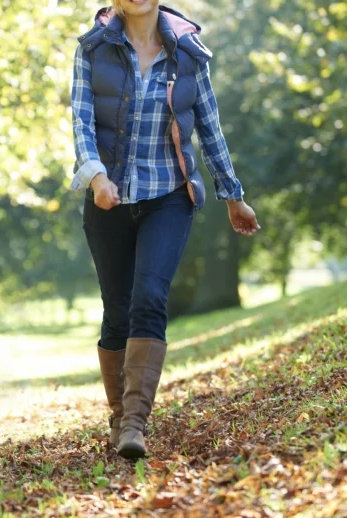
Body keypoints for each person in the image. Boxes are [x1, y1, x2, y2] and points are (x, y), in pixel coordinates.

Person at [71, 0, 260, 459]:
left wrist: (232, 195)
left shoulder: (189, 54)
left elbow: (210, 128)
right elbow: (81, 123)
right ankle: (119, 417)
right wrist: (96, 177)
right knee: (117, 311)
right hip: (108, 197)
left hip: (169, 196)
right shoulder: (92, 49)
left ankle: (135, 423)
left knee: (150, 298)